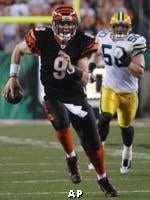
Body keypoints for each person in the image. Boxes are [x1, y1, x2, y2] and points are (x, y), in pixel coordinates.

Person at [3, 5, 118, 197]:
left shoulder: (82, 41)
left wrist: (72, 68)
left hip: (76, 96)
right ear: (54, 25)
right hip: (53, 94)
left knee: (93, 144)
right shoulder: (42, 36)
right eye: (62, 24)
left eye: (69, 24)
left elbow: (86, 78)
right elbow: (18, 49)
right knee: (60, 120)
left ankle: (103, 178)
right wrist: (13, 76)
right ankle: (71, 158)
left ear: (75, 25)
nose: (65, 28)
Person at [88, 11, 147, 174]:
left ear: (129, 28)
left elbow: (140, 72)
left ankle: (127, 153)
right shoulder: (103, 37)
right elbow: (96, 54)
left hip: (129, 92)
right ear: (111, 26)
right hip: (110, 88)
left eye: (124, 26)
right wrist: (91, 68)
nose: (120, 29)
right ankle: (97, 154)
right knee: (104, 118)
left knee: (125, 126)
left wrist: (126, 61)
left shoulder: (135, 42)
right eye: (118, 26)